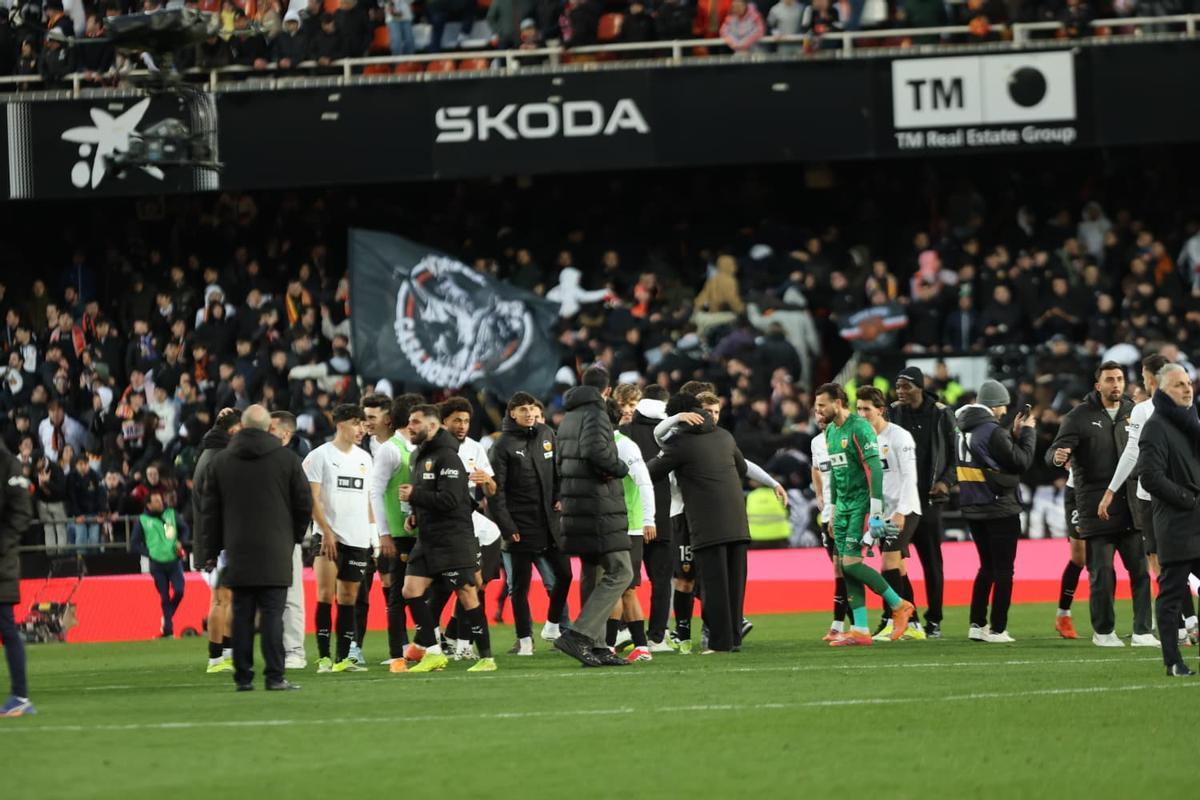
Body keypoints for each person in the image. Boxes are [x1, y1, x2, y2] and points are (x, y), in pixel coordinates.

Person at [201, 405, 312, 692]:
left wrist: (211, 551)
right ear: (267, 428)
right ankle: (275, 676)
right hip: (276, 549)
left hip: (237, 550)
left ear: (241, 426)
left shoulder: (222, 461)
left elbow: (210, 512)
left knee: (242, 615)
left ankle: (243, 677)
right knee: (273, 614)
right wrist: (293, 538)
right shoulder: (287, 460)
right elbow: (303, 505)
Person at [1047, 362, 1157, 648]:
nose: (1116, 384)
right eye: (1110, 380)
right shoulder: (1078, 417)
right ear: (1098, 385)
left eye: (1120, 379)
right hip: (1096, 506)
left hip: (1132, 504)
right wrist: (1058, 457)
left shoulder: (1134, 412)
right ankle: (1104, 631)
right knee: (1102, 574)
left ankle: (1143, 631)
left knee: (1141, 573)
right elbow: (1052, 453)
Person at [1098, 355, 1196, 640]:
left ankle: (1183, 623)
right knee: (1181, 559)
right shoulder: (1188, 408)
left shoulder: (1143, 410)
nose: (1141, 382)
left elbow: (1132, 453)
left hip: (1150, 497)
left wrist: (1111, 490)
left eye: (1143, 377)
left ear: (1152, 379)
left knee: (1162, 562)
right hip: (1184, 494)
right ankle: (1187, 621)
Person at [648, 391, 752, 653]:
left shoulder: (681, 443)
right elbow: (741, 469)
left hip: (707, 524)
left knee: (714, 586)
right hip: (739, 522)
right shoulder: (725, 436)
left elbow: (651, 472)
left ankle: (719, 643)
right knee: (735, 585)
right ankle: (734, 639)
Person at [813, 383, 915, 647]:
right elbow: (835, 474)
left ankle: (898, 604)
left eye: (822, 405)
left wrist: (876, 511)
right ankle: (860, 629)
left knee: (851, 564)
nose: (818, 410)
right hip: (843, 507)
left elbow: (875, 470)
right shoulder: (832, 432)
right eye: (816, 406)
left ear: (838, 402)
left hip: (860, 504)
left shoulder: (859, 428)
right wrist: (832, 510)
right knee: (846, 569)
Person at [398, 405, 497, 674]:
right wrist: (415, 515)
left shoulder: (448, 458)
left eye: (416, 422)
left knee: (466, 594)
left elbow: (452, 499)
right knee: (410, 591)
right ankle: (432, 652)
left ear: (432, 427)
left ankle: (486, 657)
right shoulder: (416, 456)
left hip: (453, 537)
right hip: (428, 537)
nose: (411, 426)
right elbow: (428, 495)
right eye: (410, 421)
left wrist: (415, 496)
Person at [552, 366, 632, 668]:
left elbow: (562, 460)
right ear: (607, 390)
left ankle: (597, 646)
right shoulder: (596, 414)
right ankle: (580, 634)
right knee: (621, 571)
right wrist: (620, 467)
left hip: (576, 503)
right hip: (598, 504)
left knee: (593, 572)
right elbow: (596, 452)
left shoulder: (569, 415)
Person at [490, 391, 572, 656]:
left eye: (531, 408)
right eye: (522, 409)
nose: (529, 413)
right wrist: (507, 526)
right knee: (519, 587)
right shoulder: (502, 445)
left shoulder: (547, 434)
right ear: (512, 413)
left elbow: (559, 470)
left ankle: (552, 624)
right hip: (520, 525)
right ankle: (524, 640)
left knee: (565, 575)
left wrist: (559, 496)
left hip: (549, 522)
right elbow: (496, 492)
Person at [956, 380, 1036, 643]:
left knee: (986, 568)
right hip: (999, 507)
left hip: (973, 506)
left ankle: (977, 624)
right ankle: (998, 628)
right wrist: (1027, 433)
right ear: (997, 404)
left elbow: (993, 457)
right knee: (1003, 571)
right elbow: (1021, 462)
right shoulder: (991, 430)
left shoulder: (962, 429)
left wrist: (1011, 434)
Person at [1137, 363, 1200, 676]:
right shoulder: (1156, 427)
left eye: (1188, 383)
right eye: (1178, 384)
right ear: (1161, 390)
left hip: (1196, 521)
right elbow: (1149, 476)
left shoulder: (1190, 422)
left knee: (1173, 593)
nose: (1187, 389)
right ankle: (1173, 661)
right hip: (1176, 525)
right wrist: (1187, 498)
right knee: (1172, 594)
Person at [303, 404, 375, 674]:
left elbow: (368, 499)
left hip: (357, 540)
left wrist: (373, 537)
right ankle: (324, 657)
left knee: (348, 598)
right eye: (358, 423)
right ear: (342, 424)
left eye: (364, 424)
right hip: (328, 538)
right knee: (325, 594)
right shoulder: (319, 456)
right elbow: (313, 498)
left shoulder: (365, 459)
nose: (362, 429)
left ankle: (343, 658)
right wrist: (327, 531)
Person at [889, 365, 957, 639]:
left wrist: (946, 482)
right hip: (900, 501)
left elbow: (954, 455)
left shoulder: (941, 413)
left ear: (920, 386)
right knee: (896, 561)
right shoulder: (893, 412)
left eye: (907, 386)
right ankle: (911, 615)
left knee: (931, 563)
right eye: (898, 386)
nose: (901, 392)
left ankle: (935, 619)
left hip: (927, 499)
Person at [855, 387, 925, 641]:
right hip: (882, 513)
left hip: (904, 510)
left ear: (881, 410)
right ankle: (915, 625)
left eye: (867, 409)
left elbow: (909, 477)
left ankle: (892, 619)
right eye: (859, 409)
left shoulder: (899, 437)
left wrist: (901, 513)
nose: (862, 414)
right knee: (901, 567)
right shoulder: (864, 439)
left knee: (888, 562)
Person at [439, 397, 500, 660]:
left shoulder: (475, 448)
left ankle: (457, 641)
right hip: (444, 527)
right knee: (451, 588)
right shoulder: (436, 450)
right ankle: (439, 642)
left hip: (471, 526)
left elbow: (493, 489)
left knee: (474, 585)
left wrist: (487, 480)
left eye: (465, 420)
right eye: (457, 420)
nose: (462, 425)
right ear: (444, 422)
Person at [619, 384, 675, 651]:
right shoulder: (670, 433)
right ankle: (657, 636)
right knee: (661, 580)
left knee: (623, 581)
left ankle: (622, 632)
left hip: (629, 518)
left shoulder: (622, 434)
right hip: (662, 515)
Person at [368, 395, 419, 672]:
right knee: (398, 593)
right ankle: (397, 649)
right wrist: (384, 534)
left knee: (424, 589)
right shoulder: (391, 450)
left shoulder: (421, 446)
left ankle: (427, 643)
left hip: (422, 530)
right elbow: (375, 491)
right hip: (399, 534)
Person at [608, 398, 657, 661]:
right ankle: (636, 646)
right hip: (611, 524)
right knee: (620, 587)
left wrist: (649, 519)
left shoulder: (624, 446)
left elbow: (645, 482)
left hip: (629, 526)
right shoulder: (603, 444)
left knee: (620, 586)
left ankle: (618, 645)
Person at [193, 408, 238, 673]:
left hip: (214, 540)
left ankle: (227, 654)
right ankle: (216, 659)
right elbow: (216, 506)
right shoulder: (218, 459)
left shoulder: (208, 452)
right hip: (220, 541)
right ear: (233, 431)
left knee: (226, 599)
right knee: (221, 600)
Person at [268, 410, 309, 669]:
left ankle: (294, 650)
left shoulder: (295, 461)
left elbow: (304, 502)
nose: (265, 433)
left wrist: (294, 534)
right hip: (262, 536)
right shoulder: (263, 458)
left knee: (291, 594)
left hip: (285, 536)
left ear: (285, 434)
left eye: (270, 429)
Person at [0, 440, 34, 716]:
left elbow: (23, 512)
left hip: (1, 562)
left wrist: (3, 543)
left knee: (6, 626)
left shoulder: (8, 463)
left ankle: (21, 697)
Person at [131, 490, 189, 639]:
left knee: (179, 591)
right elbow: (134, 543)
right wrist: (149, 553)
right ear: (149, 505)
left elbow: (184, 529)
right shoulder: (143, 520)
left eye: (160, 499)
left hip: (174, 561)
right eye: (156, 501)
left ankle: (167, 618)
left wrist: (180, 542)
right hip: (157, 564)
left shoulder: (171, 514)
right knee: (164, 597)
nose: (160, 502)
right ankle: (168, 630)